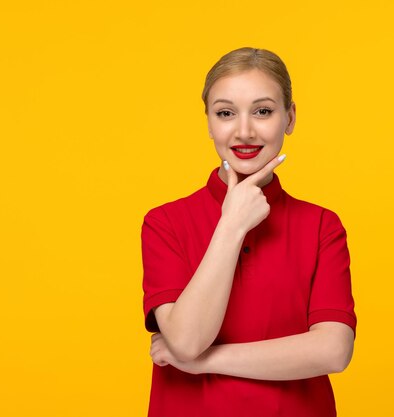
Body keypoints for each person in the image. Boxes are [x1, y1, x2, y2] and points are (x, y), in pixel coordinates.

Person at [141, 47, 356, 417]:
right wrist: (232, 224)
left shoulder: (322, 226)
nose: (244, 130)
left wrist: (206, 363)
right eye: (225, 113)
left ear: (289, 118)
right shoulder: (165, 223)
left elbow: (333, 352)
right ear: (209, 123)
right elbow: (188, 340)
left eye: (263, 111)